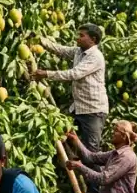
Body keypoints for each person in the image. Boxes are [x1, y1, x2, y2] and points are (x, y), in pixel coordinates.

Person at [33, 24, 108, 152]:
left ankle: (94, 172)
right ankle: (74, 164)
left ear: (93, 39)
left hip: (93, 111)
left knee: (91, 150)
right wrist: (40, 40)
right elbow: (61, 50)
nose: (77, 38)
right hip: (78, 108)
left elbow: (74, 74)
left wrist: (46, 74)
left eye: (81, 35)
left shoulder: (95, 56)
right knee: (66, 136)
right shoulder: (79, 51)